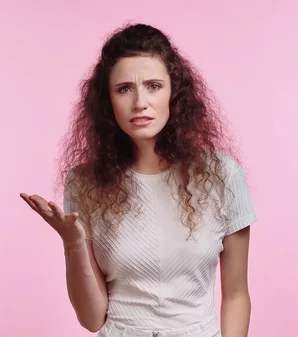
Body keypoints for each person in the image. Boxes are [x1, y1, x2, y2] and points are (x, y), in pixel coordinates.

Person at [20, 23, 257, 337]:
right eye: (124, 89)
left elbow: (237, 294)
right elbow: (92, 319)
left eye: (154, 86)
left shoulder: (222, 175)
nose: (139, 102)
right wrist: (72, 242)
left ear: (175, 93)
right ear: (108, 102)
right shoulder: (85, 183)